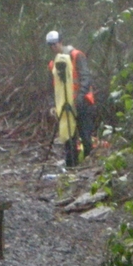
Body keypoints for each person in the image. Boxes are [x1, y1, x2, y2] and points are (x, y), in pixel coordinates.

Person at [46, 30, 95, 166]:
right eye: (50, 46)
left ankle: (88, 165)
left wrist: (79, 98)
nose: (53, 48)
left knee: (85, 137)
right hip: (65, 105)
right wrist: (53, 105)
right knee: (69, 138)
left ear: (61, 42)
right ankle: (71, 167)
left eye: (55, 44)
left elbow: (86, 78)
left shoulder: (76, 56)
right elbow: (52, 87)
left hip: (82, 104)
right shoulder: (53, 63)